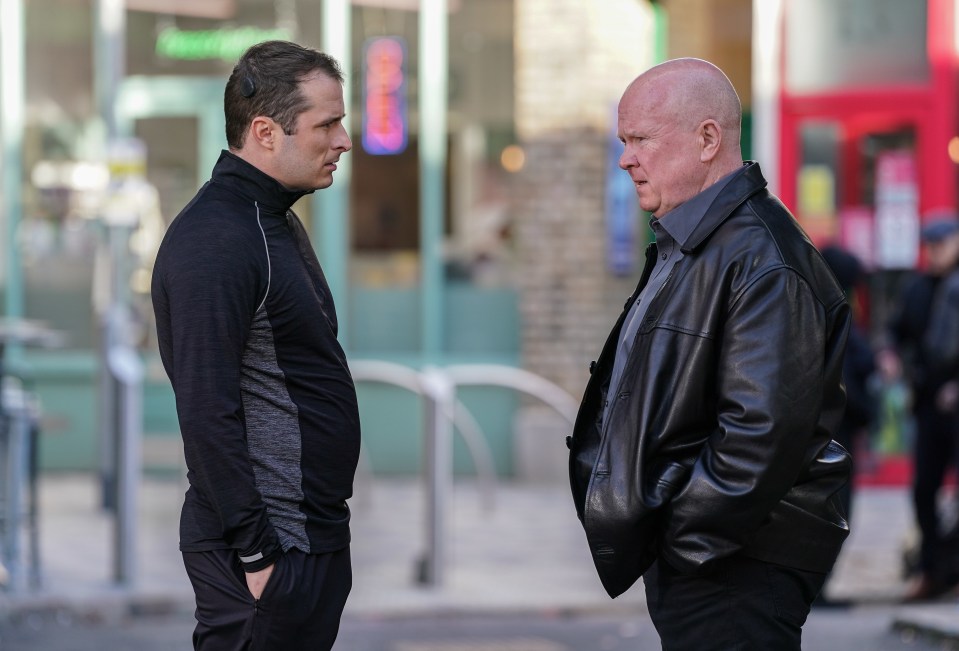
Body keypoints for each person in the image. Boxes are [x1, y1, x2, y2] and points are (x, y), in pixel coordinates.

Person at [568, 58, 851, 650]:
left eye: (640, 139)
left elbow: (758, 435)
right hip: (715, 561)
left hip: (736, 565)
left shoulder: (762, 258)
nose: (626, 159)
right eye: (624, 141)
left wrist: (682, 542)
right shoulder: (693, 241)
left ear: (707, 138)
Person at [151, 40, 359, 650]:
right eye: (327, 124)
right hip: (269, 553)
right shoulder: (217, 238)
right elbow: (205, 410)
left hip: (307, 540)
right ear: (265, 131)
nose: (343, 140)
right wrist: (258, 553)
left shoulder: (270, 220)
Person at [883, 213, 959, 601]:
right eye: (930, 244)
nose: (934, 252)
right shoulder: (917, 288)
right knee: (924, 491)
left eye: (942, 243)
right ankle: (933, 570)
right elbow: (896, 331)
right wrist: (892, 356)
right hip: (929, 404)